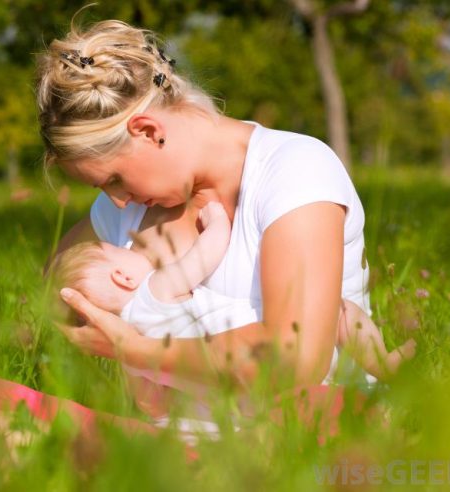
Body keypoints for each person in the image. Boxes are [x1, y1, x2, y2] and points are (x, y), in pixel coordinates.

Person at [36, 19, 417, 393]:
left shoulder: (293, 171)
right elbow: (56, 282)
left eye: (114, 179)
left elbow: (295, 360)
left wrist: (134, 349)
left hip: (304, 425)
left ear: (149, 132)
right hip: (168, 441)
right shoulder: (128, 206)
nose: (115, 199)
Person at [50, 201, 415, 403]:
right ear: (122, 277)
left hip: (247, 389)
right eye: (120, 251)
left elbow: (151, 403)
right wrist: (216, 220)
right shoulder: (154, 292)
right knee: (339, 309)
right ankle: (383, 363)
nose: (130, 248)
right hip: (292, 345)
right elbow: (205, 255)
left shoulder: (128, 343)